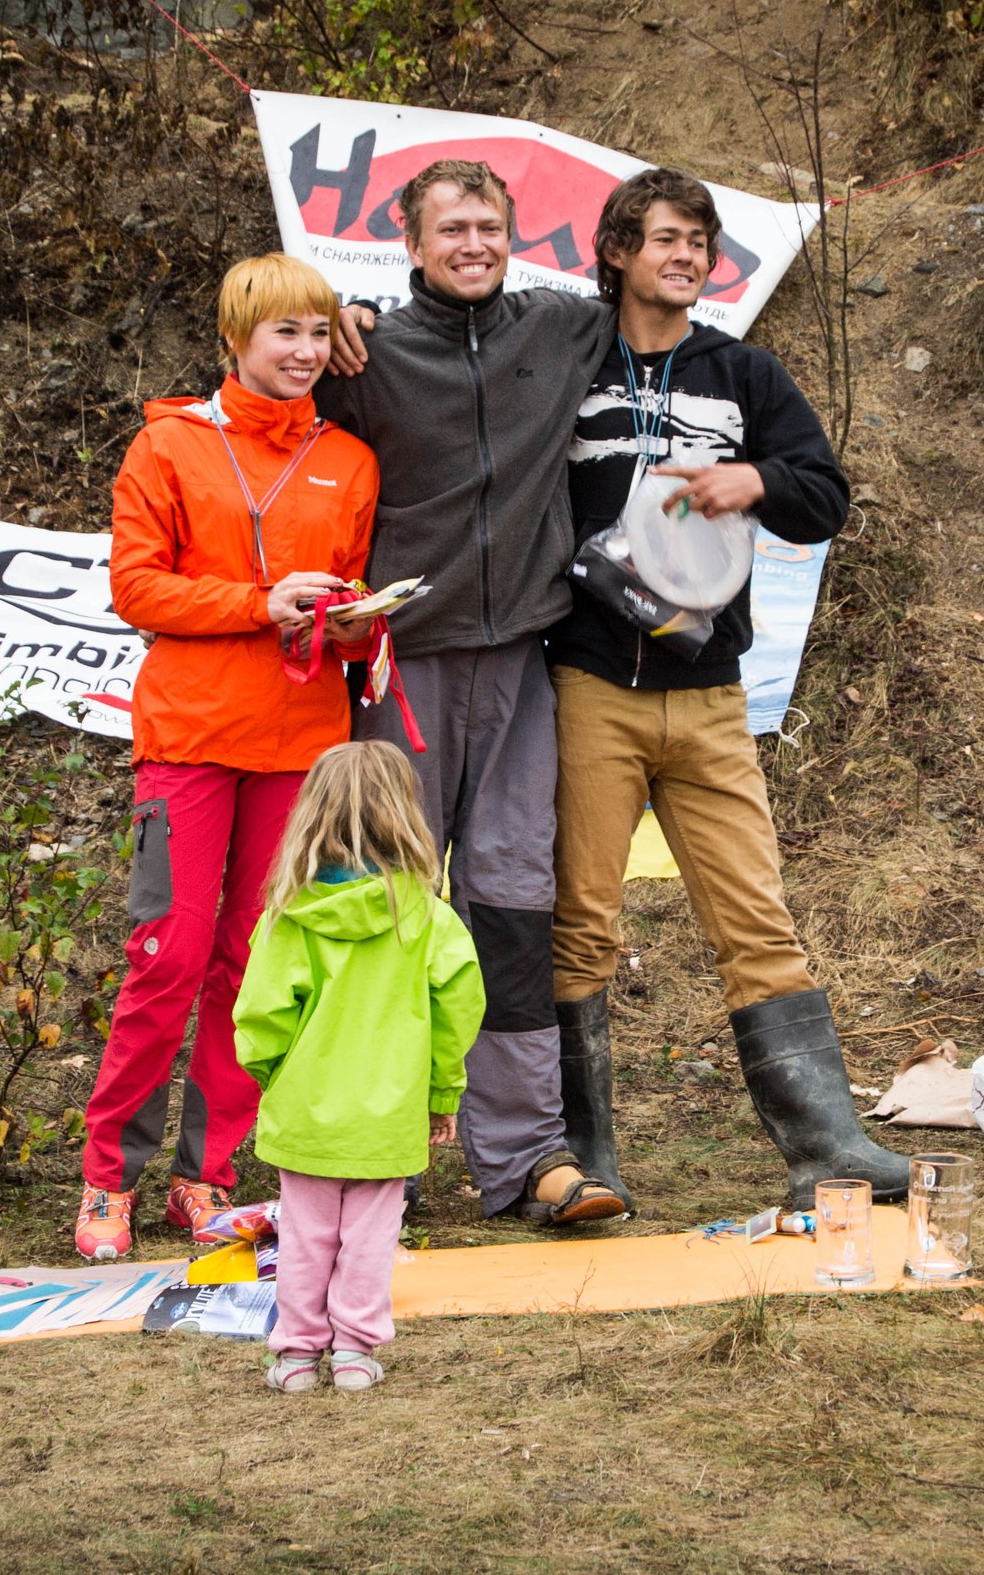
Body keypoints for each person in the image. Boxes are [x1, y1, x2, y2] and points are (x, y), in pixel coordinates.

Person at [546, 168, 909, 1208]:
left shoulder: (743, 373)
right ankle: (585, 1161)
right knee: (581, 922)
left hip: (709, 693)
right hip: (586, 685)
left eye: (699, 243)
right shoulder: (567, 357)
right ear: (616, 250)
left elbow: (824, 499)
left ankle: (828, 1150)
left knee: (756, 919)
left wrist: (758, 478)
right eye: (664, 239)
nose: (686, 258)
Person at [314, 161, 626, 1227]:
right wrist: (336, 313)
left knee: (510, 905)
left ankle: (525, 1157)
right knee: (383, 908)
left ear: (510, 234)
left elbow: (654, 314)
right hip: (404, 673)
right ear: (409, 243)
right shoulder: (366, 355)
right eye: (450, 228)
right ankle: (370, 1155)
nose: (472, 243)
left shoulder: (560, 330)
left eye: (487, 225)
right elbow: (265, 380)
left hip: (520, 668)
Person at [75, 253, 380, 1262]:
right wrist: (259, 605)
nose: (300, 354)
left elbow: (346, 592)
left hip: (302, 743)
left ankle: (204, 1174)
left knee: (252, 965)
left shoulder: (350, 458)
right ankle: (108, 1177)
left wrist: (353, 627)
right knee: (166, 957)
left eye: (314, 334)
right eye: (280, 334)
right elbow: (137, 590)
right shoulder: (167, 447)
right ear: (235, 342)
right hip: (192, 740)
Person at [234, 740, 487, 1393]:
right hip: (390, 1117)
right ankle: (353, 1351)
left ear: (309, 815)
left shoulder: (288, 917)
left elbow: (259, 1018)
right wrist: (441, 1091)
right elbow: (459, 1010)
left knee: (305, 1237)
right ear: (405, 813)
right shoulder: (428, 921)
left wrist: (278, 1081)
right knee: (370, 1239)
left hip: (307, 1114)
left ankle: (294, 1354)